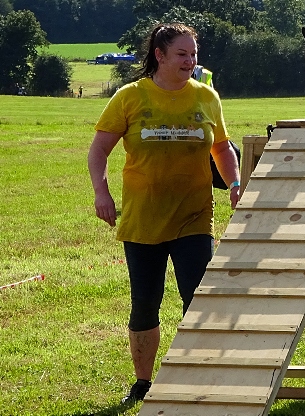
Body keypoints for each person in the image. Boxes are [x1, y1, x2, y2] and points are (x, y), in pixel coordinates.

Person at [87, 22, 241, 405]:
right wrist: (101, 193)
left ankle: (196, 376)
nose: (191, 61)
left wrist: (235, 183)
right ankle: (143, 382)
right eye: (182, 54)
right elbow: (99, 151)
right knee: (145, 301)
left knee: (196, 298)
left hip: (194, 217)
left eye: (194, 55)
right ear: (160, 55)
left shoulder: (206, 97)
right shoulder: (130, 97)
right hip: (143, 219)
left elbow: (221, 148)